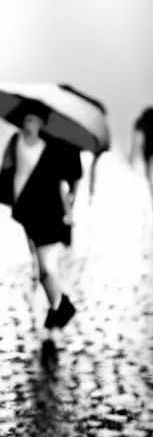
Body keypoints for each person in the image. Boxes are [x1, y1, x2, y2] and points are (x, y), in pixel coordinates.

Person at [0, 101, 81, 334]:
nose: (29, 125)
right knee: (40, 266)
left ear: (41, 124)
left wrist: (68, 212)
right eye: (26, 120)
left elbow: (58, 184)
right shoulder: (15, 143)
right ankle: (57, 308)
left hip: (48, 212)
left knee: (46, 268)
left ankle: (62, 306)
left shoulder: (49, 148)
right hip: (25, 211)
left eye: (33, 121)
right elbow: (7, 169)